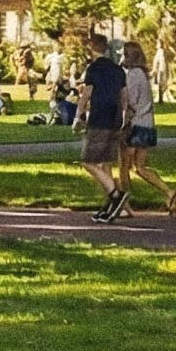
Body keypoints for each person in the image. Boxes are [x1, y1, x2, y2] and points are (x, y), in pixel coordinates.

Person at [113, 41, 176, 217]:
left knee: (123, 165)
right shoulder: (143, 75)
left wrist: (121, 122)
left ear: (129, 56)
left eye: (123, 55)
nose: (121, 58)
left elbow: (130, 103)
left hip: (134, 125)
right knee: (140, 167)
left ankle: (124, 204)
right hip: (147, 124)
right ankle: (168, 192)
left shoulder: (132, 76)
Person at [76, 35, 129, 220]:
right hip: (115, 120)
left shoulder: (93, 69)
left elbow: (86, 95)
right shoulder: (118, 70)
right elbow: (124, 96)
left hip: (99, 119)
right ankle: (112, 206)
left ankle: (116, 195)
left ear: (92, 49)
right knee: (106, 163)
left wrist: (78, 116)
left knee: (87, 161)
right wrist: (123, 117)